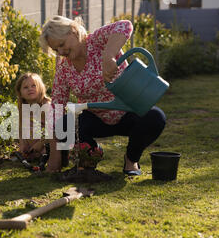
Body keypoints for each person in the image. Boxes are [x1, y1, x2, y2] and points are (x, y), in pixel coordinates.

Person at [39, 16, 166, 175]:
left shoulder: (97, 41)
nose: (62, 52)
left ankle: (131, 159)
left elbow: (125, 25)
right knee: (64, 125)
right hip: (94, 119)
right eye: (56, 50)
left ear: (73, 31)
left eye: (62, 44)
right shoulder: (64, 69)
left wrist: (109, 56)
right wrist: (54, 154)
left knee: (155, 117)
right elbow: (56, 107)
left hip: (127, 112)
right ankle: (90, 155)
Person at [14, 72, 51, 161]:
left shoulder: (46, 106)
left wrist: (39, 145)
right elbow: (21, 127)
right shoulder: (22, 106)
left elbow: (52, 131)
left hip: (46, 142)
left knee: (50, 149)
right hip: (31, 145)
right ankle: (30, 153)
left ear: (40, 87)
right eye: (25, 87)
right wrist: (22, 144)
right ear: (20, 92)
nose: (30, 89)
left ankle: (42, 155)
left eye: (33, 86)